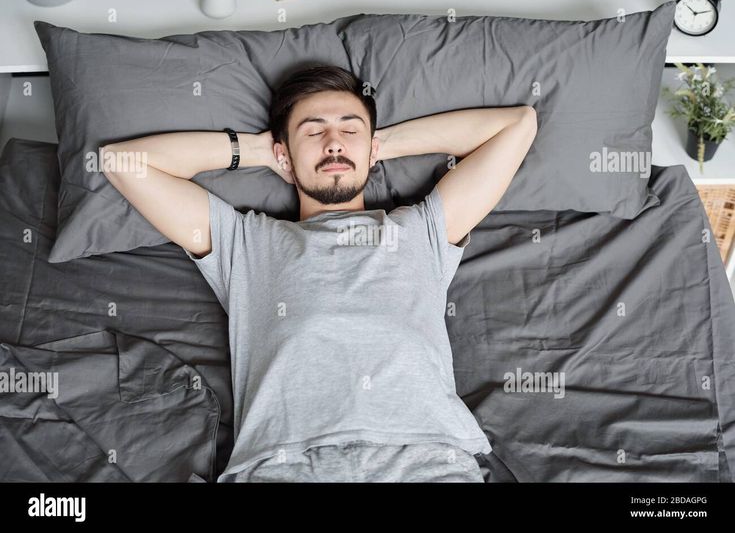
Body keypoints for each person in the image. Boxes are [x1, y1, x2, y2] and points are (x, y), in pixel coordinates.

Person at [101, 64, 537, 482]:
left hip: (428, 458)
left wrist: (378, 145)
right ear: (284, 155)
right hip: (284, 465)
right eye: (313, 132)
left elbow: (518, 124)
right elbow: (122, 162)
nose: (333, 142)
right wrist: (260, 150)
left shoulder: (421, 229)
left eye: (349, 129)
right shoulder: (246, 241)